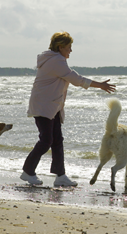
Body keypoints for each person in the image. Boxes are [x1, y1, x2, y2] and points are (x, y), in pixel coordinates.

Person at [21, 31, 116, 187]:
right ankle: (28, 171)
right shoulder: (56, 60)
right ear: (60, 47)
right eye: (69, 47)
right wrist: (100, 85)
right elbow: (76, 79)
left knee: (57, 141)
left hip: (53, 106)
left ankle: (60, 176)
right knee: (46, 141)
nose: (71, 50)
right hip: (45, 105)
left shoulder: (54, 59)